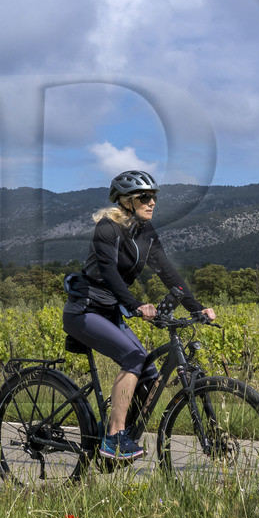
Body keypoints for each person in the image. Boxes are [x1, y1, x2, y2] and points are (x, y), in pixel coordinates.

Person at [63, 170, 215, 460]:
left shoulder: (146, 233)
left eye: (154, 197)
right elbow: (108, 274)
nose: (152, 202)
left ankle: (121, 431)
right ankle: (113, 438)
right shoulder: (106, 229)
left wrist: (197, 308)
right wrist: (135, 306)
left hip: (110, 313)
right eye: (145, 197)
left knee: (149, 372)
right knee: (134, 357)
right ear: (126, 201)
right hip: (84, 310)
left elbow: (168, 273)